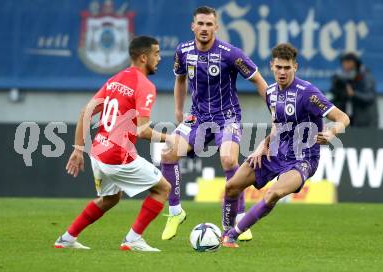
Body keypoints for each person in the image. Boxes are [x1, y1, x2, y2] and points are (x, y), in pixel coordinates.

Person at [221, 43, 350, 248]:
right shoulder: (271, 93)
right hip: (276, 152)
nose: (282, 72)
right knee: (231, 187)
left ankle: (233, 235)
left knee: (273, 194)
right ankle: (224, 231)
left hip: (303, 158)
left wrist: (331, 132)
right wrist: (262, 145)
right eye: (279, 67)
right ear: (272, 66)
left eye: (287, 68)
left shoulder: (308, 93)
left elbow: (342, 117)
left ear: (295, 67)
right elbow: (277, 125)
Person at [54, 36, 174, 252]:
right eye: (156, 53)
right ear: (143, 57)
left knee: (109, 198)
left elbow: (85, 112)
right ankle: (133, 239)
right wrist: (171, 138)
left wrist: (78, 149)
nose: (159, 58)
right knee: (163, 189)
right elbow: (142, 130)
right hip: (117, 155)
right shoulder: (145, 86)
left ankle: (67, 238)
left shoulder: (116, 79)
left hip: (98, 151)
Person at [160, 6, 268, 241]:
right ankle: (175, 212)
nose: (205, 28)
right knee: (168, 153)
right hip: (197, 117)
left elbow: (259, 81)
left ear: (216, 27)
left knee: (229, 159)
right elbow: (179, 80)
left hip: (227, 116)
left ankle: (239, 218)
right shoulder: (183, 51)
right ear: (193, 26)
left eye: (209, 24)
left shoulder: (231, 53)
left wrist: (276, 110)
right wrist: (178, 110)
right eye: (201, 23)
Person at [329, 52, 379, 127]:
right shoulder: (342, 78)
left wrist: (353, 94)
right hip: (351, 122)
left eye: (348, 62)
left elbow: (369, 97)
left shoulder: (365, 77)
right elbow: (335, 96)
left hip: (366, 122)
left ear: (355, 63)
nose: (345, 65)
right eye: (344, 62)